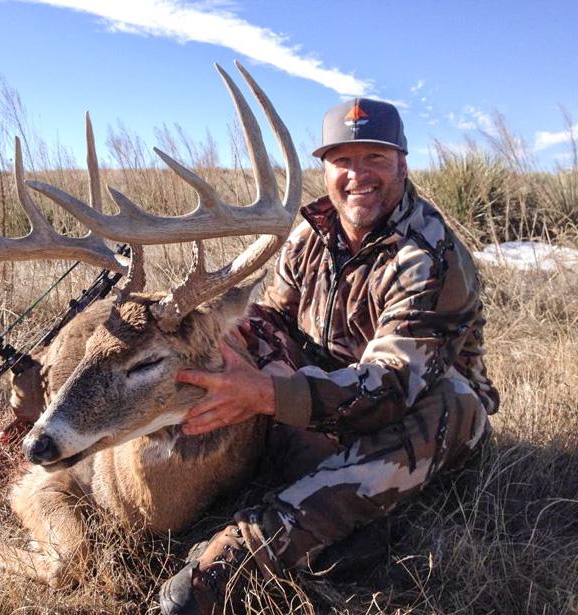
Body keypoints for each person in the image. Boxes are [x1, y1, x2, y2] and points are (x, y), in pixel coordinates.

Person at [158, 97, 500, 614]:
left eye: (375, 159)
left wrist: (268, 393)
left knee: (453, 400)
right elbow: (272, 315)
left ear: (402, 165)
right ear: (325, 168)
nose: (357, 175)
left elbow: (389, 388)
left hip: (414, 408)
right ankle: (348, 518)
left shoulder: (429, 258)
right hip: (323, 391)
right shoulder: (310, 236)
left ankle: (245, 555)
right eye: (342, 160)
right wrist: (221, 337)